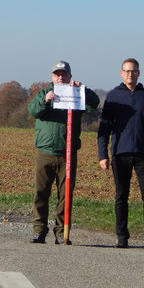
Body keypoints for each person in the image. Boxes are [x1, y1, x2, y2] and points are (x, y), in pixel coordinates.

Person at [97, 58, 144, 250]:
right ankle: (122, 237)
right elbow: (103, 129)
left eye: (133, 71)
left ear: (139, 73)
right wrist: (102, 155)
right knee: (121, 196)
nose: (130, 74)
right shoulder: (112, 96)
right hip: (120, 153)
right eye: (127, 71)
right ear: (121, 73)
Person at [28, 60, 100, 244]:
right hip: (45, 151)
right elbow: (33, 110)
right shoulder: (44, 93)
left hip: (67, 153)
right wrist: (46, 100)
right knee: (41, 192)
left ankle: (61, 232)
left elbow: (94, 103)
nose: (60, 77)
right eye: (57, 74)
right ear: (52, 76)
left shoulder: (76, 93)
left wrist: (83, 89)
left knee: (65, 194)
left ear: (69, 76)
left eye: (64, 74)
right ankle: (39, 230)